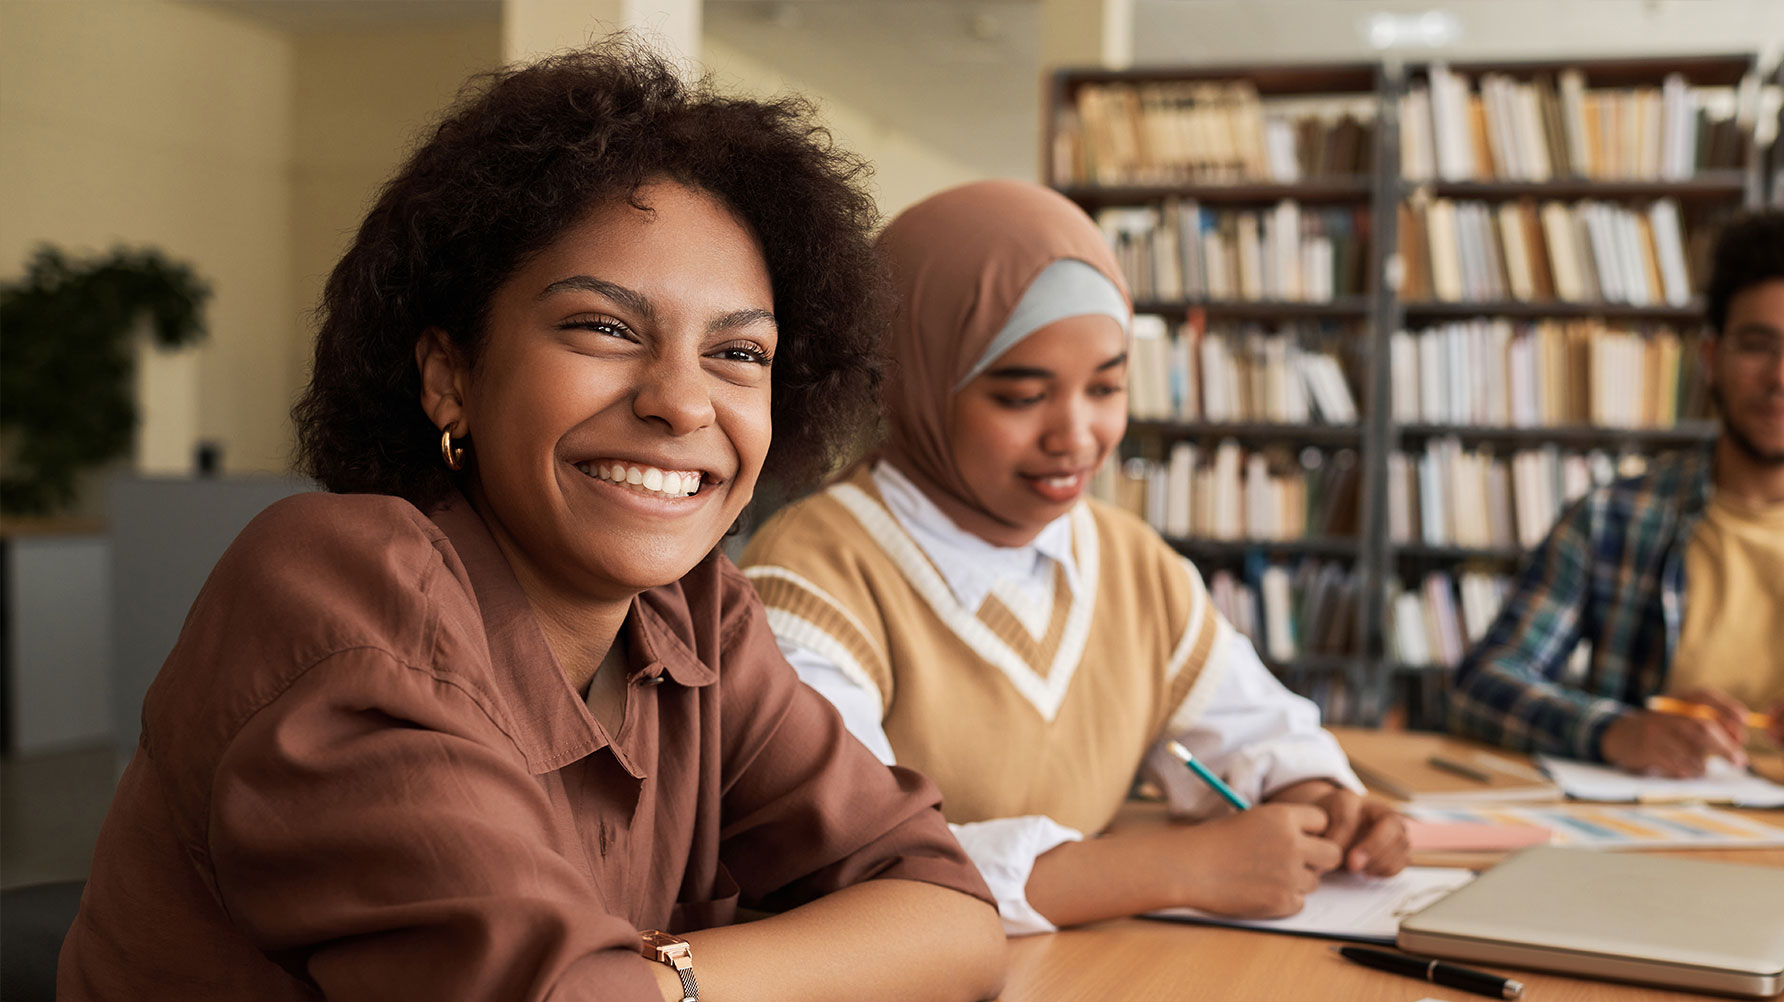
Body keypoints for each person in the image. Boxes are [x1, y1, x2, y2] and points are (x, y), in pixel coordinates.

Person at [58, 43, 1005, 1002]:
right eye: (605, 328)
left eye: (739, 353)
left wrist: (660, 978)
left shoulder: (696, 617)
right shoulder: (335, 588)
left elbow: (952, 912)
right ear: (451, 376)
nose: (683, 402)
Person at [737, 179, 1408, 936]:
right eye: (1022, 397)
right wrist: (1183, 869)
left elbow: (1254, 730)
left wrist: (1322, 800)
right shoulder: (811, 577)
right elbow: (853, 861)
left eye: (1107, 387)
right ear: (909, 382)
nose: (1078, 436)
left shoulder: (1129, 561)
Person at [1450, 209, 1784, 777]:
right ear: (1710, 359)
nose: (1779, 378)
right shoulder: (1612, 518)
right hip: (1644, 818)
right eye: (1757, 346)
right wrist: (1615, 731)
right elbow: (1480, 686)